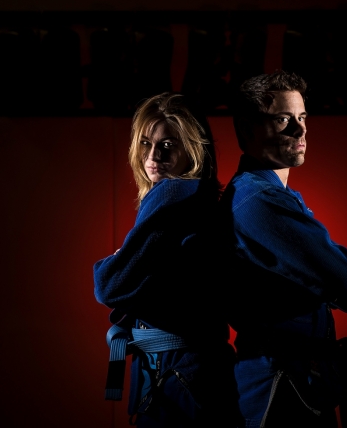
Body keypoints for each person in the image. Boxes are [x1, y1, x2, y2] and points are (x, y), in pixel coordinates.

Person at [218, 70, 347, 428]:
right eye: (283, 119)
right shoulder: (256, 199)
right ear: (247, 129)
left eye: (301, 118)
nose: (299, 130)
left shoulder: (274, 195)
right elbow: (340, 272)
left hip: (304, 379)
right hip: (279, 385)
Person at [93, 92, 242, 428]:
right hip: (196, 373)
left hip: (179, 376)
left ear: (191, 148)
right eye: (146, 143)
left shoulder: (173, 193)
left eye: (168, 144)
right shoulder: (200, 198)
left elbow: (109, 286)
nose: (153, 156)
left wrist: (110, 264)